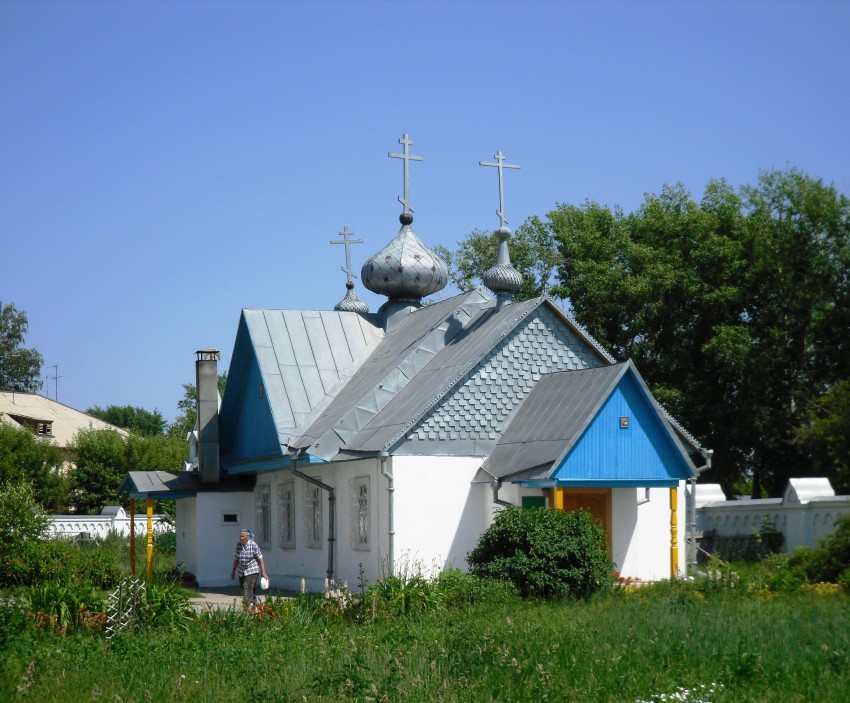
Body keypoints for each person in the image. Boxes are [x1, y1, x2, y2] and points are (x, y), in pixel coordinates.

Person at [230, 529, 268, 608]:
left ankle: (246, 607)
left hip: (252, 570)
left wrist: (263, 572)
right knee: (246, 588)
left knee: (247, 589)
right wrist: (233, 571)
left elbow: (260, 558)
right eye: (240, 537)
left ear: (248, 537)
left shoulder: (253, 545)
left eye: (243, 536)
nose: (241, 538)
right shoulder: (239, 546)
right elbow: (236, 559)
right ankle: (256, 604)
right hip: (241, 571)